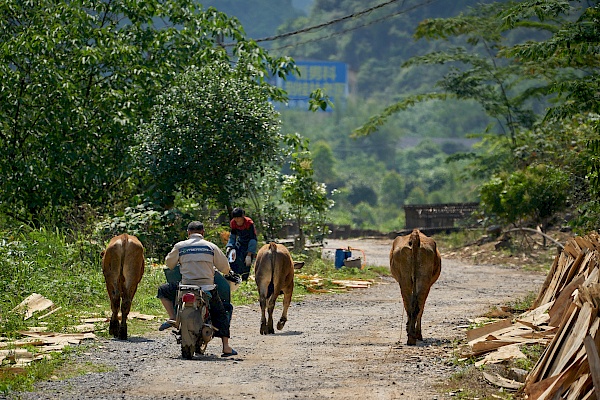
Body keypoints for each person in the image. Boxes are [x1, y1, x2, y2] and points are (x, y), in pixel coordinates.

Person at [157, 221, 241, 357]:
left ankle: (173, 317)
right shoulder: (211, 247)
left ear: (188, 233)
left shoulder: (180, 246)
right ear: (203, 233)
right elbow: (225, 268)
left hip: (184, 287)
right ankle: (226, 347)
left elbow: (169, 264)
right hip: (207, 288)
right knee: (221, 311)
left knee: (162, 290)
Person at [226, 207, 258, 281]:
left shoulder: (249, 223)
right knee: (234, 261)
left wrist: (249, 254)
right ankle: (235, 278)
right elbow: (233, 236)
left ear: (243, 217)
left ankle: (244, 279)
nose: (237, 220)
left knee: (246, 263)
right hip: (240, 242)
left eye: (239, 218)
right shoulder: (233, 223)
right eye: (235, 218)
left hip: (249, 244)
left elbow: (253, 238)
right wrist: (229, 246)